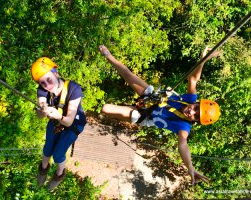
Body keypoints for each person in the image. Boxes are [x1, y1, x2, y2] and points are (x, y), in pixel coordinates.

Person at [99, 45, 221, 185]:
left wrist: (190, 167)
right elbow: (193, 79)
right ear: (197, 102)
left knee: (106, 108)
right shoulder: (190, 99)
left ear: (195, 121)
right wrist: (203, 60)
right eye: (196, 108)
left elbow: (183, 145)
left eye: (195, 115)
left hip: (144, 115)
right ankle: (109, 55)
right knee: (128, 74)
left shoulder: (183, 126)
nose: (191, 111)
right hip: (152, 98)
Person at [31, 57, 86, 191]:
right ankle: (43, 170)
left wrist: (58, 115)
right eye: (42, 83)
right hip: (55, 121)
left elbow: (68, 121)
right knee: (47, 148)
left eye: (49, 79)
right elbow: (39, 115)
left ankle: (59, 175)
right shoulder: (43, 90)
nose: (47, 85)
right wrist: (43, 110)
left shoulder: (74, 89)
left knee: (58, 154)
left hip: (72, 124)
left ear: (56, 73)